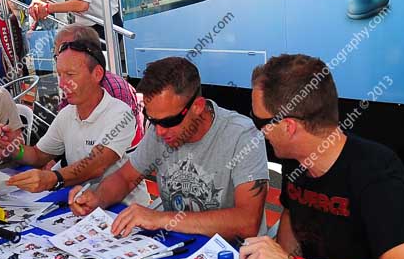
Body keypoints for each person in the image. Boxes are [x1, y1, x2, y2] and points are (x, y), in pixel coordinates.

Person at [239, 54, 404, 259]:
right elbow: (292, 214)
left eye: (259, 120)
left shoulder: (377, 173)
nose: (259, 130)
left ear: (289, 127)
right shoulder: (296, 159)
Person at [70, 56, 268, 240]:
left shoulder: (242, 135)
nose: (159, 132)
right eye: (152, 120)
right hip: (175, 248)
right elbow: (126, 178)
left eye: (169, 121)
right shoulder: (161, 128)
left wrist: (160, 219)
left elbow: (247, 222)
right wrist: (97, 198)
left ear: (197, 106)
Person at [0, 38, 149, 204]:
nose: (62, 84)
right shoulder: (67, 114)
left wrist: (54, 178)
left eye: (70, 75)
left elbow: (96, 165)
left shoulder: (120, 113)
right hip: (82, 205)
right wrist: (14, 147)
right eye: (59, 75)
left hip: (123, 209)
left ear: (97, 74)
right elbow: (39, 155)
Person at [54, 24, 143, 146]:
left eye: (64, 50)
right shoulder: (74, 95)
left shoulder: (114, 93)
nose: (61, 84)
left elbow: (102, 160)